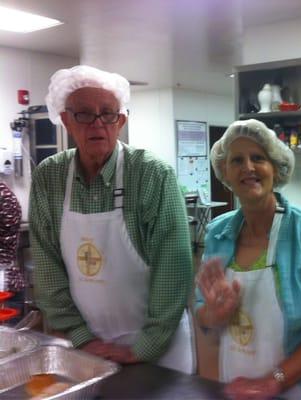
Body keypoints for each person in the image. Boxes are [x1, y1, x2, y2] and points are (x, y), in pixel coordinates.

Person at [29, 65, 195, 373]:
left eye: (107, 113)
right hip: (87, 350)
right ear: (66, 120)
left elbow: (174, 269)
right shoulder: (48, 178)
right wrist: (83, 339)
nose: (97, 123)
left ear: (120, 121)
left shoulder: (152, 175)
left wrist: (144, 347)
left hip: (159, 350)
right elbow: (48, 270)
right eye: (84, 114)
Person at [195, 119, 301, 399]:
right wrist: (212, 313)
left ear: (276, 168)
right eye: (237, 160)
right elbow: (202, 314)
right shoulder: (218, 232)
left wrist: (272, 382)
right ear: (225, 172)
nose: (248, 167)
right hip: (239, 384)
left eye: (258, 158)